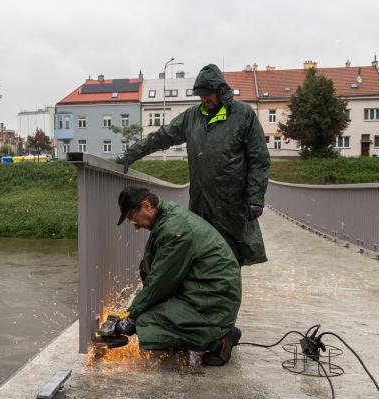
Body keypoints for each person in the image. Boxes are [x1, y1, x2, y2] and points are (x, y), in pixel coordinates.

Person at [116, 64, 270, 267]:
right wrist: (131, 153)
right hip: (200, 203)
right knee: (200, 256)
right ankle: (205, 296)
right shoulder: (192, 117)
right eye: (201, 96)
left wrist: (256, 198)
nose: (205, 100)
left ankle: (226, 297)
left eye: (208, 95)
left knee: (229, 258)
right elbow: (163, 136)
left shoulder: (242, 115)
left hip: (231, 204)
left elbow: (259, 158)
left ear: (221, 92)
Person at [113, 186, 242, 366]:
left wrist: (132, 317)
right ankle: (213, 330)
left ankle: (218, 339)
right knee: (149, 303)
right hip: (206, 291)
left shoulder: (175, 230)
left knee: (147, 322)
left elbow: (161, 281)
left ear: (147, 206)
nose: (136, 227)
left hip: (213, 300)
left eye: (135, 220)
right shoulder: (168, 216)